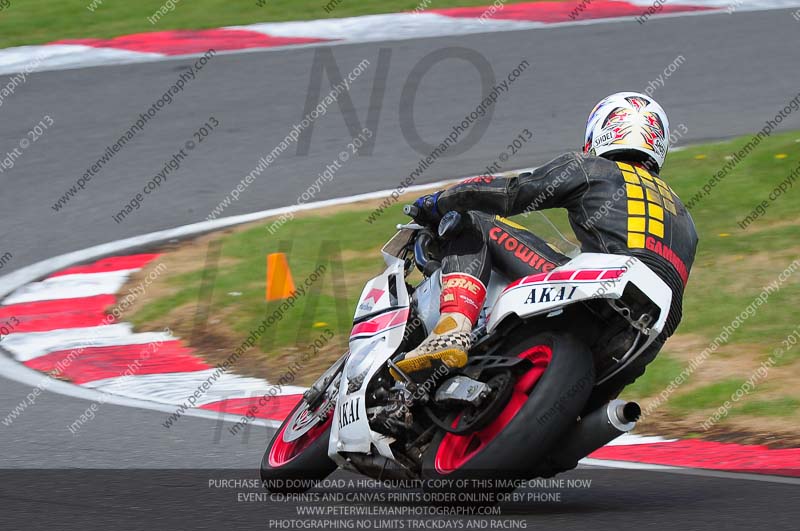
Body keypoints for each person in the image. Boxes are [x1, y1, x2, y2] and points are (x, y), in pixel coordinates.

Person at [394, 92, 698, 406]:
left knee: (474, 222)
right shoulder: (686, 220)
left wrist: (439, 201)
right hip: (646, 339)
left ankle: (452, 330)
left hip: (603, 293)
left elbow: (511, 194)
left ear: (601, 129)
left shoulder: (592, 168)